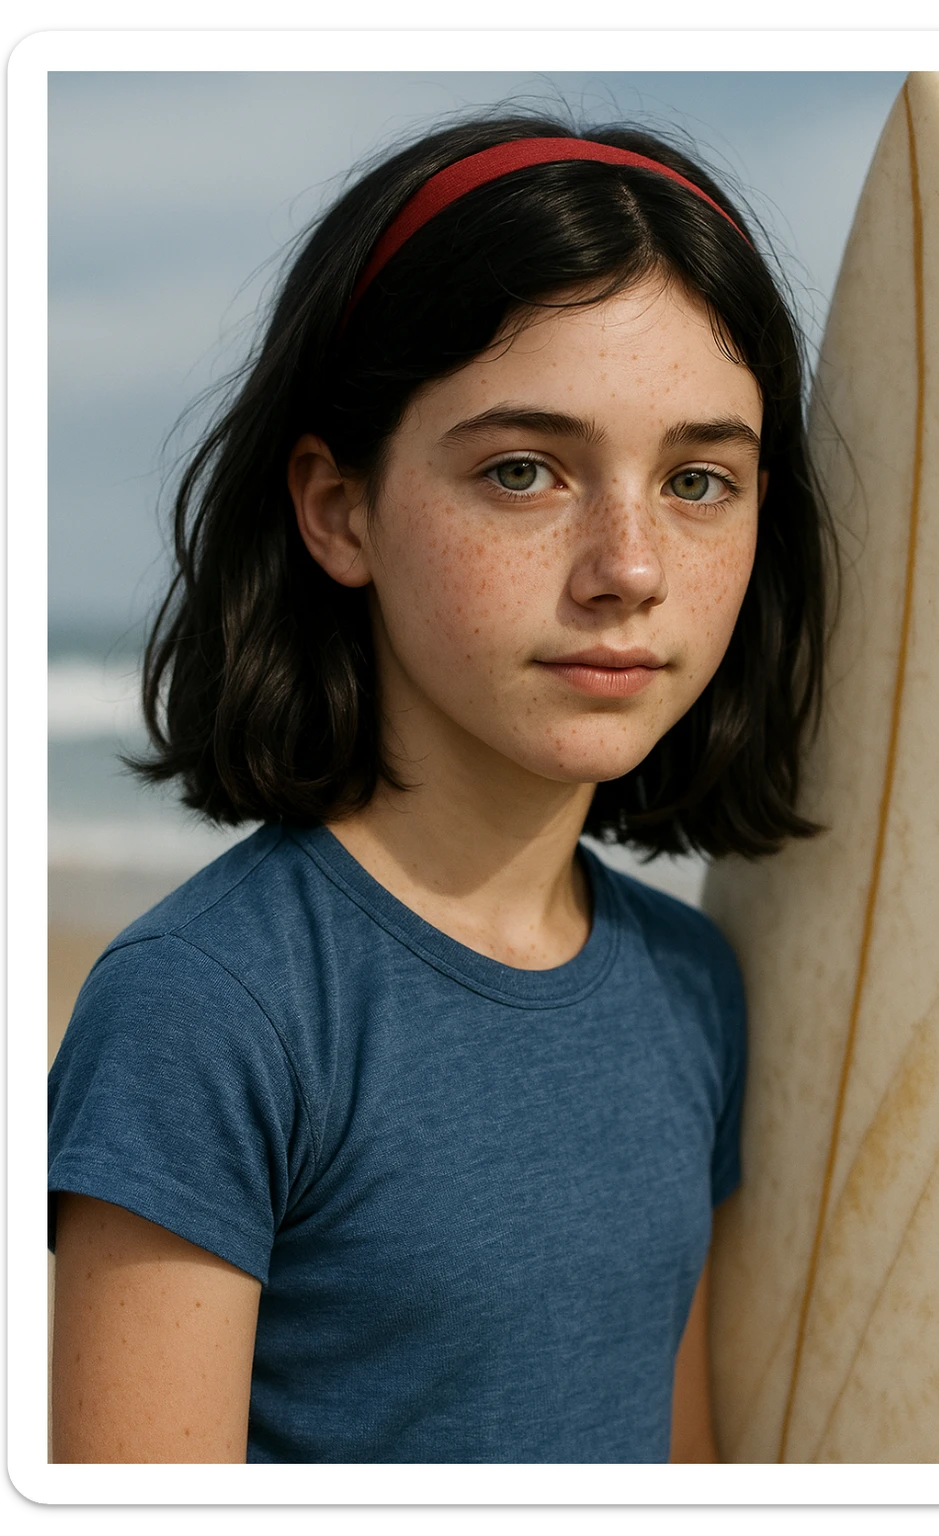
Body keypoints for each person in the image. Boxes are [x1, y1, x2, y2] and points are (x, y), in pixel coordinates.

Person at [48, 113, 831, 1465]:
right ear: (337, 509)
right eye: (524, 470)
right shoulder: (209, 1008)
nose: (629, 567)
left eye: (701, 480)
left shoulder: (693, 987)